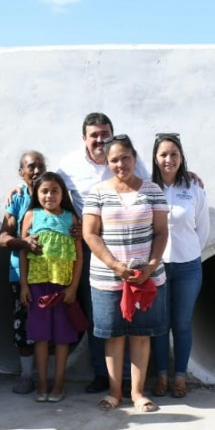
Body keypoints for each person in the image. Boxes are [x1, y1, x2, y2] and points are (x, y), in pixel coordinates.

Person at [55, 113, 150, 394]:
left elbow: (150, 186)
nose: (100, 139)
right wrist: (20, 190)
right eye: (94, 135)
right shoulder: (68, 166)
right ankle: (102, 374)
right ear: (84, 138)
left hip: (130, 245)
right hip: (92, 248)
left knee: (136, 309)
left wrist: (186, 176)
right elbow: (49, 191)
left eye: (105, 133)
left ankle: (136, 379)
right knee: (101, 313)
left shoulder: (126, 160)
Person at [82, 134, 169, 412]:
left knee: (141, 335)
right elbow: (90, 234)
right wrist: (116, 266)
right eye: (115, 160)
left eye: (126, 158)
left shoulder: (152, 190)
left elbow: (161, 231)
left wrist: (151, 266)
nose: (121, 164)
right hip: (108, 278)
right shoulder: (97, 193)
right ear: (107, 163)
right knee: (114, 336)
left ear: (134, 157)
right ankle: (114, 393)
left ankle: (138, 393)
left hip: (146, 278)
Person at [149, 133, 209, 399]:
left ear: (181, 157)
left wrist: (190, 250)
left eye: (174, 154)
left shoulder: (194, 188)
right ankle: (162, 375)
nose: (169, 159)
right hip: (158, 267)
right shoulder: (148, 188)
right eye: (163, 154)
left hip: (187, 267)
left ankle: (180, 377)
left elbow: (203, 228)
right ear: (155, 158)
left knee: (182, 324)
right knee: (160, 324)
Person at [19, 171, 83, 402]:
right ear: (36, 193)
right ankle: (42, 385)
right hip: (37, 287)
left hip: (63, 288)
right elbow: (23, 252)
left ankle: (58, 385)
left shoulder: (71, 219)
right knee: (41, 337)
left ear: (62, 194)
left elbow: (78, 256)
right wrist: (24, 285)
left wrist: (73, 288)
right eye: (44, 191)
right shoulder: (31, 216)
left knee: (63, 336)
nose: (49, 195)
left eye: (55, 191)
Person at [0, 150, 48, 394]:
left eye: (41, 166)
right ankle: (27, 376)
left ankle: (47, 377)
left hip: (51, 276)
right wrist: (24, 242)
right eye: (31, 167)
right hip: (22, 276)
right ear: (22, 173)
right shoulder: (17, 199)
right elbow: (3, 237)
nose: (37, 170)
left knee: (50, 325)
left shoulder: (53, 195)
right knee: (23, 328)